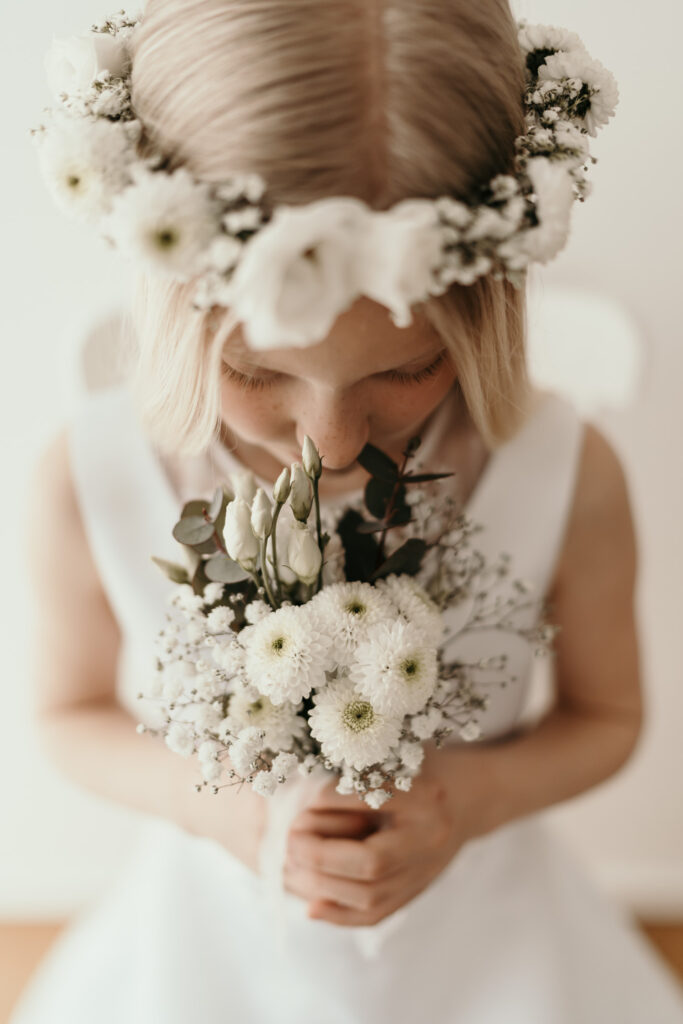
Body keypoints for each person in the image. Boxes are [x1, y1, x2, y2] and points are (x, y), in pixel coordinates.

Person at [13, 1, 683, 1021]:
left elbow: (609, 715)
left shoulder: (563, 472)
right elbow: (67, 715)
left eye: (407, 368)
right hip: (211, 954)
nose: (328, 441)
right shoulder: (93, 472)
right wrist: (235, 817)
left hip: (490, 955)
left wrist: (465, 805)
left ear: (484, 307)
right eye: (256, 369)